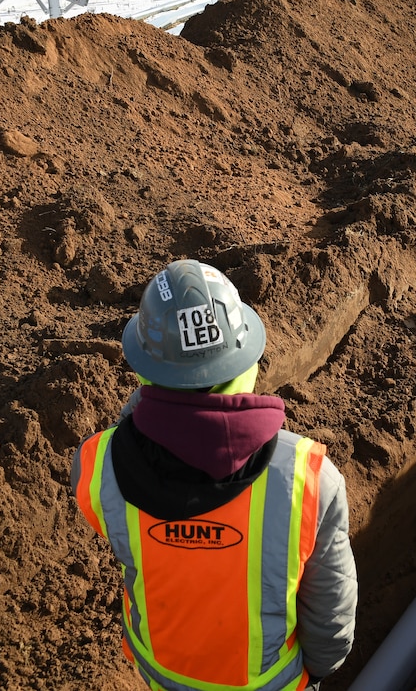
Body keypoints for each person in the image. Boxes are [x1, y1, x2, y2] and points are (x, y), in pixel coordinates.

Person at [71, 259, 357, 691]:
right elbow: (331, 626)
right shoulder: (309, 478)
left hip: (160, 676)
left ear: (145, 371)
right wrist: (314, 672)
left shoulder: (97, 463)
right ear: (248, 366)